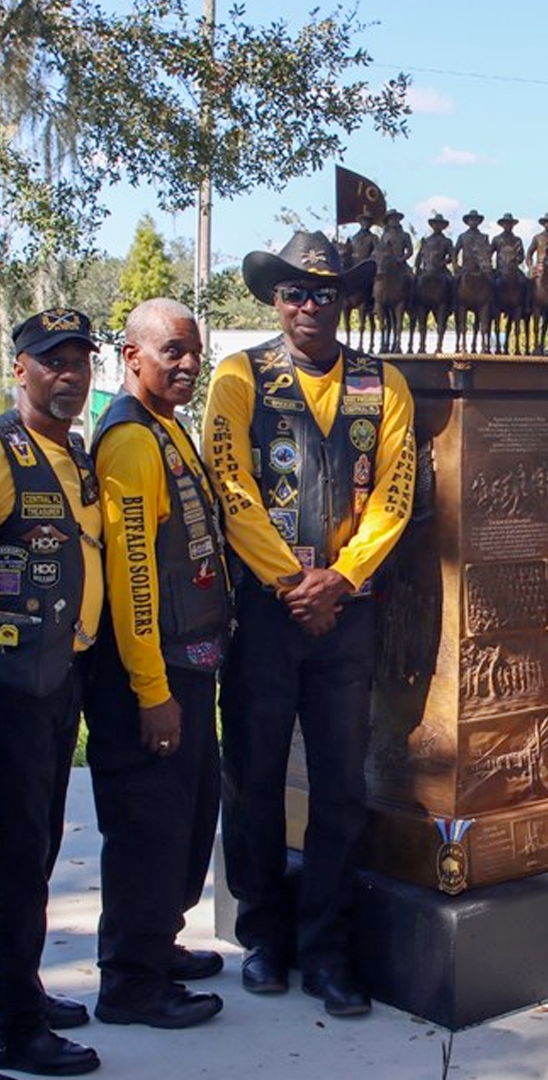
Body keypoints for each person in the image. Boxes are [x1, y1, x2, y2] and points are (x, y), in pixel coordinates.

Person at [202, 230, 415, 1017]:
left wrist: (342, 578)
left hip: (346, 615)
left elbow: (395, 492)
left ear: (344, 300)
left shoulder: (382, 383)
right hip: (266, 612)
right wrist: (292, 581)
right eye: (294, 292)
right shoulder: (240, 376)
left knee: (340, 786)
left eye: (324, 293)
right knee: (253, 775)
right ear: (275, 299)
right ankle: (264, 934)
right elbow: (231, 486)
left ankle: (327, 949)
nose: (309, 307)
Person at [84, 299, 230, 1030]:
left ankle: (157, 945)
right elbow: (134, 575)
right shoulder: (131, 441)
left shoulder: (165, 426)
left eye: (194, 351)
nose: (188, 364)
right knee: (148, 829)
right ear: (132, 356)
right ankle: (131, 984)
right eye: (172, 351)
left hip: (186, 664)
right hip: (150, 674)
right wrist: (151, 691)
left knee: (186, 819)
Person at [0, 309, 102, 1075]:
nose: (68, 375)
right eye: (51, 362)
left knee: (37, 847)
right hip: (11, 691)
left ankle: (20, 989)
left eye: (78, 362)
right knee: (12, 857)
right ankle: (15, 1030)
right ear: (20, 370)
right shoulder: (6, 454)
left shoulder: (72, 453)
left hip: (58, 678)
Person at [453, 209, 492, 275]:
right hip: (466, 268)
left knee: (492, 279)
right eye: (471, 220)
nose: (473, 222)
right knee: (454, 280)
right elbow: (455, 252)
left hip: (481, 269)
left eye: (475, 220)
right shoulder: (462, 237)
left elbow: (488, 253)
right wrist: (455, 266)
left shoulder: (484, 237)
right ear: (468, 222)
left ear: (478, 222)